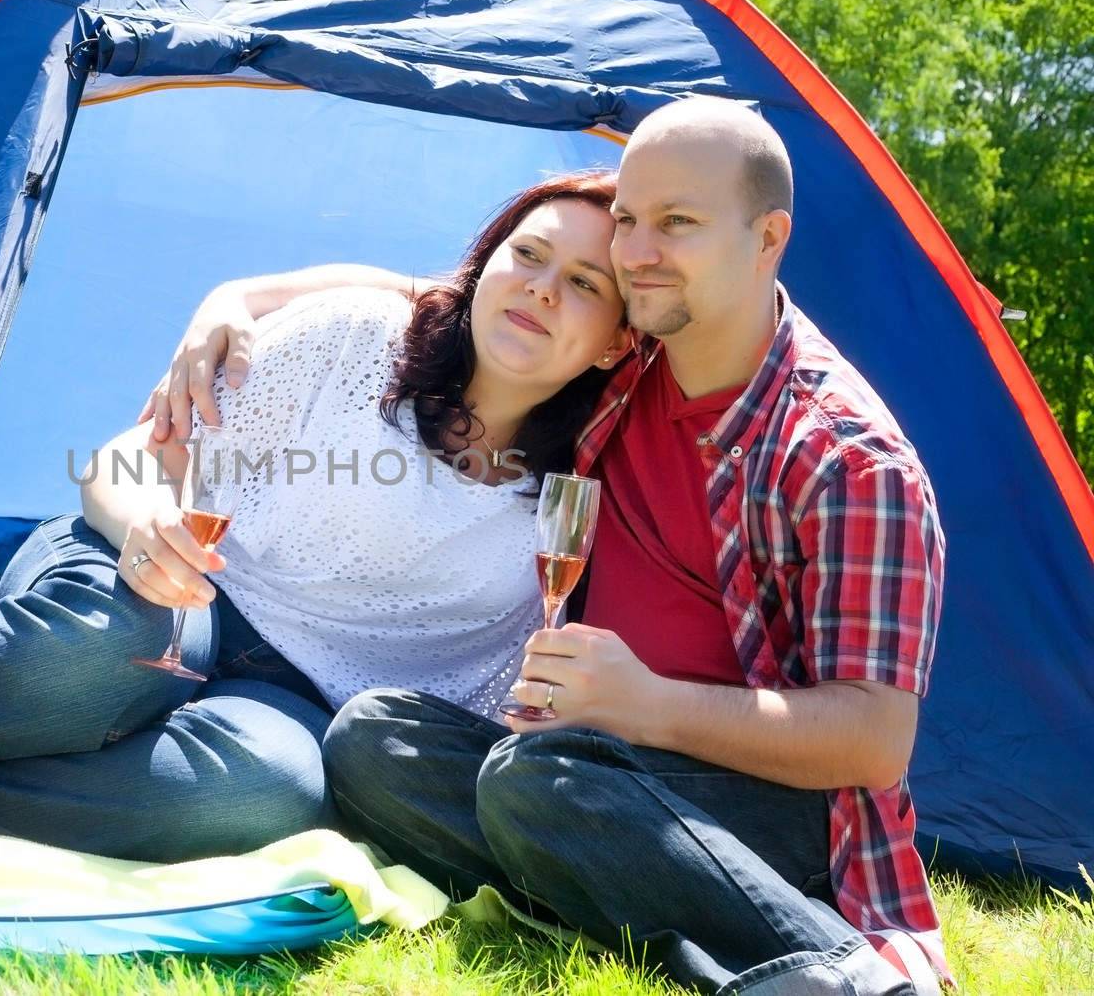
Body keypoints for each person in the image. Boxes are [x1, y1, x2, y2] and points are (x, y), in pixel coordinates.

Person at [146, 98, 946, 995]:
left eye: (676, 223)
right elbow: (460, 292)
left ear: (768, 238)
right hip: (592, 759)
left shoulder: (844, 458)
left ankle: (839, 974)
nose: (637, 251)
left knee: (539, 778)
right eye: (632, 221)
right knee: (371, 736)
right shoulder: (625, 360)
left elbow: (876, 741)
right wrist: (235, 300)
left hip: (754, 798)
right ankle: (604, 888)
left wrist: (647, 706)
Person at [0, 172, 633, 863]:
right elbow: (139, 455)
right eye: (529, 255)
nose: (541, 287)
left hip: (290, 700)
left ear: (615, 342)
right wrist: (142, 528)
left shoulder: (579, 499)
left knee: (270, 791)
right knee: (105, 653)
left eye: (583, 283)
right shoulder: (358, 338)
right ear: (481, 271)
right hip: (179, 584)